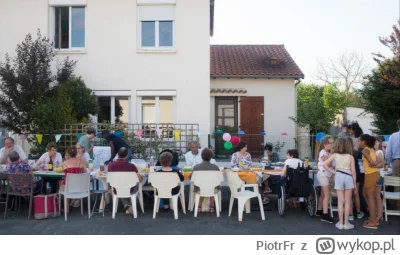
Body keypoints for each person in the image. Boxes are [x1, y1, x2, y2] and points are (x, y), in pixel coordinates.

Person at [323, 138, 357, 230]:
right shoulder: (350, 157)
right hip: (348, 176)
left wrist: (332, 171)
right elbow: (353, 172)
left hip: (339, 176)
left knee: (340, 201)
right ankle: (346, 223)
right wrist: (355, 185)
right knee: (347, 201)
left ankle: (340, 223)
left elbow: (324, 164)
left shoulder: (334, 155)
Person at [107, 147, 143, 215]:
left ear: (117, 154)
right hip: (130, 189)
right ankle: (130, 206)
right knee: (134, 185)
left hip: (116, 188)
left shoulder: (111, 165)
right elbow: (140, 179)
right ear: (127, 156)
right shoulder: (132, 166)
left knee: (119, 186)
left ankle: (127, 206)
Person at [358, 134, 383, 229]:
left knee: (370, 197)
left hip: (371, 175)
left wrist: (374, 164)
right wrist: (376, 165)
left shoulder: (365, 150)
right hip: (375, 174)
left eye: (359, 141)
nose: (358, 143)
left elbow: (372, 162)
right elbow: (381, 162)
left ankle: (373, 221)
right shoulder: (373, 150)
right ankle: (373, 217)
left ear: (364, 142)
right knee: (365, 194)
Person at [191, 148, 220, 213]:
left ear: (201, 156)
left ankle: (199, 206)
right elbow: (218, 179)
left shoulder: (196, 167)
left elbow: (192, 178)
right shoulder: (215, 167)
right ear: (211, 157)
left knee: (201, 186)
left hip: (199, 188)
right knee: (213, 186)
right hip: (212, 188)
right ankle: (212, 207)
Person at [59, 145, 87, 211]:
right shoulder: (81, 162)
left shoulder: (64, 163)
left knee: (62, 183)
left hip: (68, 187)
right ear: (76, 153)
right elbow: (85, 172)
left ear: (68, 153)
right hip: (80, 186)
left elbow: (62, 171)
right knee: (67, 183)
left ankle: (66, 208)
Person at [316, 135, 335, 223]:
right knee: (327, 194)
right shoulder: (323, 152)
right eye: (330, 143)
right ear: (324, 144)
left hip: (326, 175)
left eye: (332, 143)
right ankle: (325, 214)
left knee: (323, 194)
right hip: (323, 175)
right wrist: (332, 154)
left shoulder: (326, 152)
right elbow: (329, 164)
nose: (332, 144)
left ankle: (319, 210)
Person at [346, 138, 364, 221]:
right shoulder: (356, 153)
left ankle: (350, 214)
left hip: (348, 175)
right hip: (356, 175)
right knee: (356, 195)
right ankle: (359, 212)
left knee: (349, 196)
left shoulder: (344, 154)